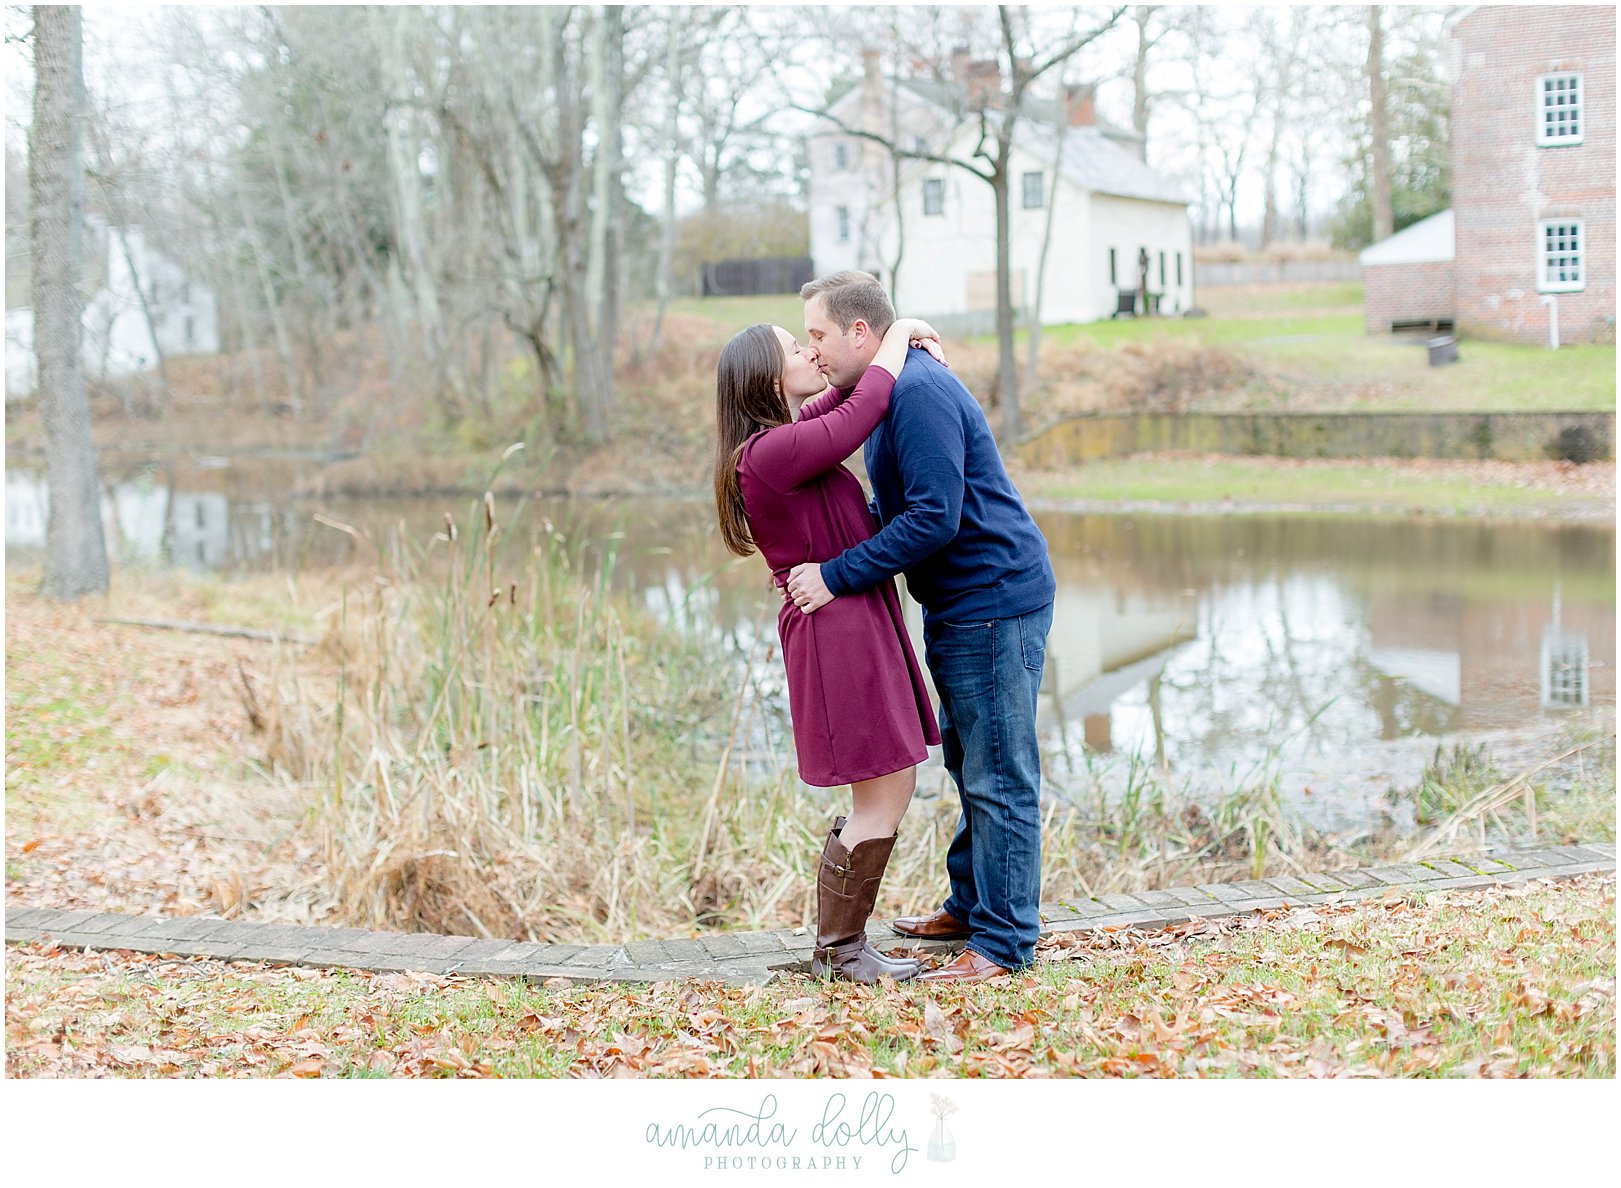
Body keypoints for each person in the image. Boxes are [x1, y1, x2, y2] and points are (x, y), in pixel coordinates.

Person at [785, 270, 1056, 984]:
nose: (810, 351)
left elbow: (933, 517)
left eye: (816, 335)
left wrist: (837, 574)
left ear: (857, 332)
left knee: (1000, 774)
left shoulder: (918, 393)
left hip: (995, 599)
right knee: (972, 762)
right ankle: (970, 906)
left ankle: (1002, 943)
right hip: (962, 602)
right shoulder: (885, 388)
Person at [713, 313, 947, 984]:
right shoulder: (768, 453)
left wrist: (885, 351)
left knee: (888, 782)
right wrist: (897, 336)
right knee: (882, 788)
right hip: (836, 627)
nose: (809, 351)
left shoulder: (781, 440)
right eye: (796, 347)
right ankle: (841, 952)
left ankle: (841, 947)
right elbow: (859, 410)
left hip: (848, 615)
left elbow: (841, 403)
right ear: (766, 375)